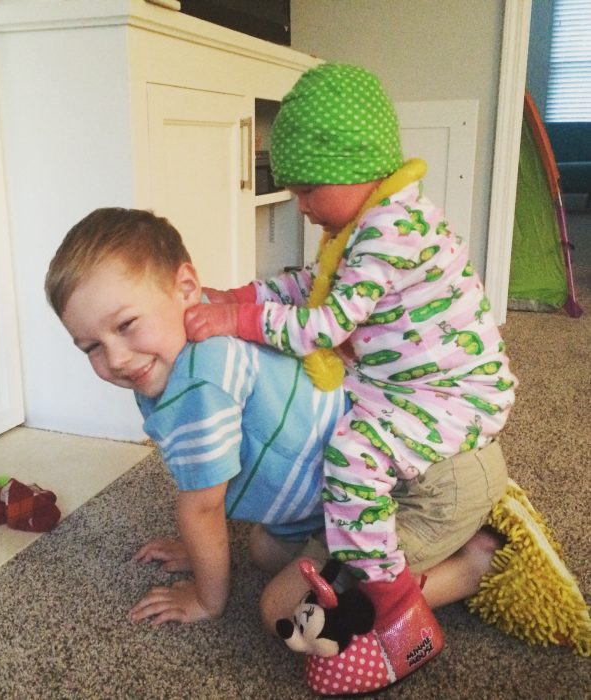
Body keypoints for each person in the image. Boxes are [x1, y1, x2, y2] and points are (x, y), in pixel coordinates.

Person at [184, 63, 519, 643]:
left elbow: (323, 325)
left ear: (354, 169)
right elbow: (309, 284)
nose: (301, 207)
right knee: (265, 546)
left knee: (346, 467)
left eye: (309, 190)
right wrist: (236, 295)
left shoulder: (390, 230)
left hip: (452, 399)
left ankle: (402, 588)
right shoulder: (365, 223)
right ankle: (393, 545)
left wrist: (238, 319)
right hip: (401, 385)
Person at [44, 207, 347, 626]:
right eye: (91, 347)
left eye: (126, 324)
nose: (115, 358)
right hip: (313, 498)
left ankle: (457, 569)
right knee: (262, 552)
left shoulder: (198, 382)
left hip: (359, 498)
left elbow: (202, 507)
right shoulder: (191, 329)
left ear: (186, 287)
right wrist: (200, 546)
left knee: (284, 610)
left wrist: (207, 599)